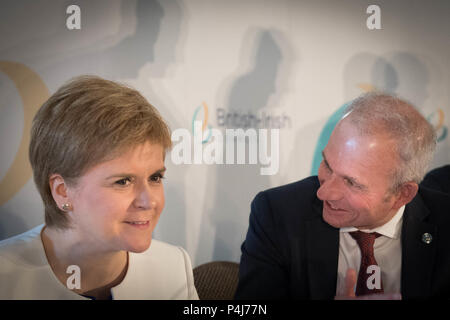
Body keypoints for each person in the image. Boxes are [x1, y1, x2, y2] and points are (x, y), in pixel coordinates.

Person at [0, 76, 199, 300]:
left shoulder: (173, 268)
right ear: (62, 191)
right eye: (123, 181)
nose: (149, 201)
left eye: (155, 177)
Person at [235, 93, 450, 299]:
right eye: (327, 165)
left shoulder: (445, 222)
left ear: (402, 194)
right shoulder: (278, 213)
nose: (324, 192)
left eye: (351, 182)